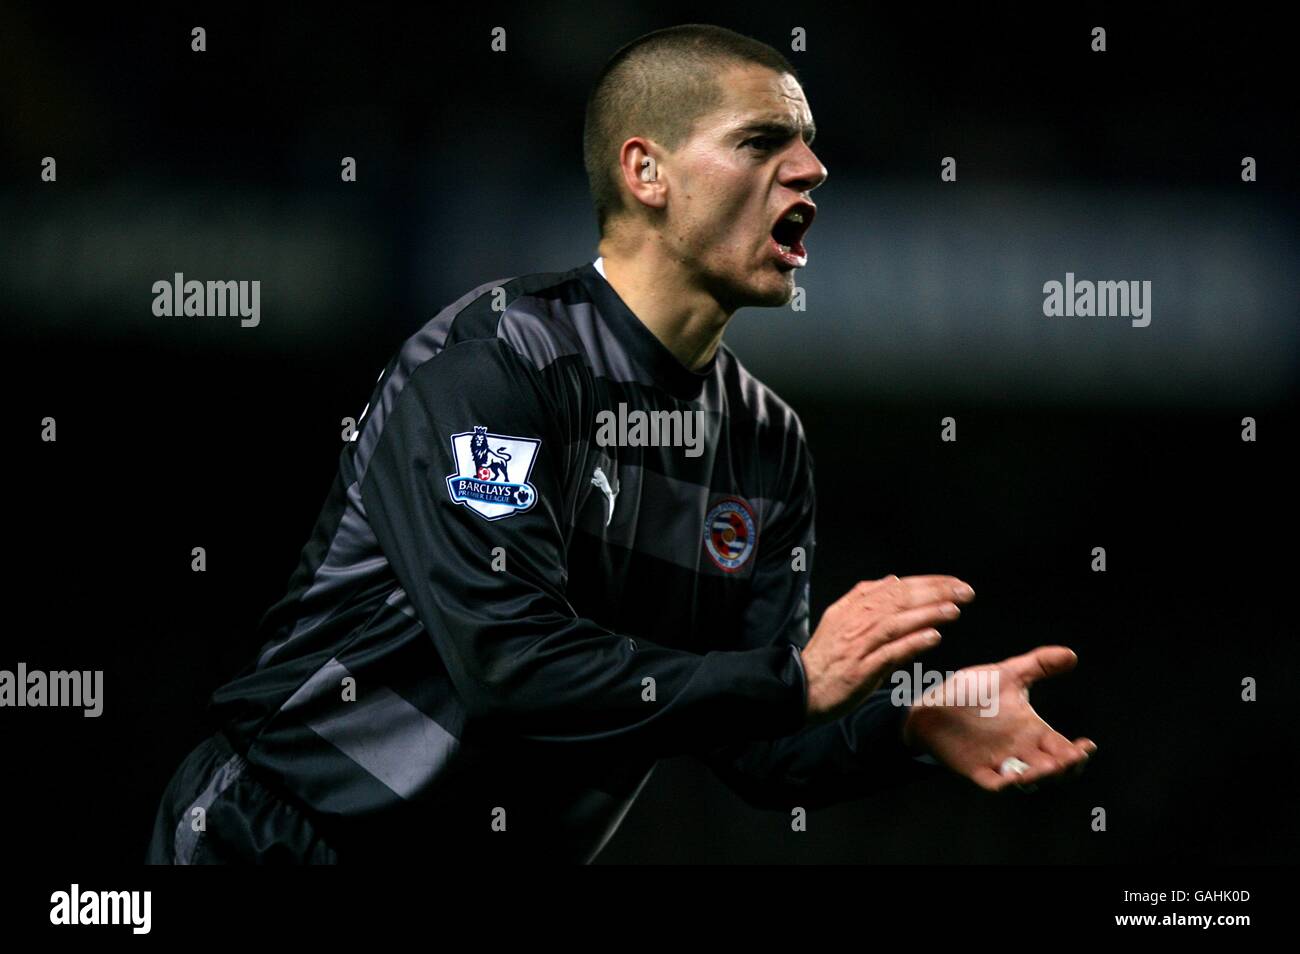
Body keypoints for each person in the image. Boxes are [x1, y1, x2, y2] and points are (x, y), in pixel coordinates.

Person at [146, 23, 1094, 865]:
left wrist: (912, 727)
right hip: (286, 836)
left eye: (808, 145)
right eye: (764, 140)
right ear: (647, 173)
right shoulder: (495, 364)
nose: (811, 169)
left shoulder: (767, 444)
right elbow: (508, 664)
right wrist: (790, 679)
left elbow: (758, 737)